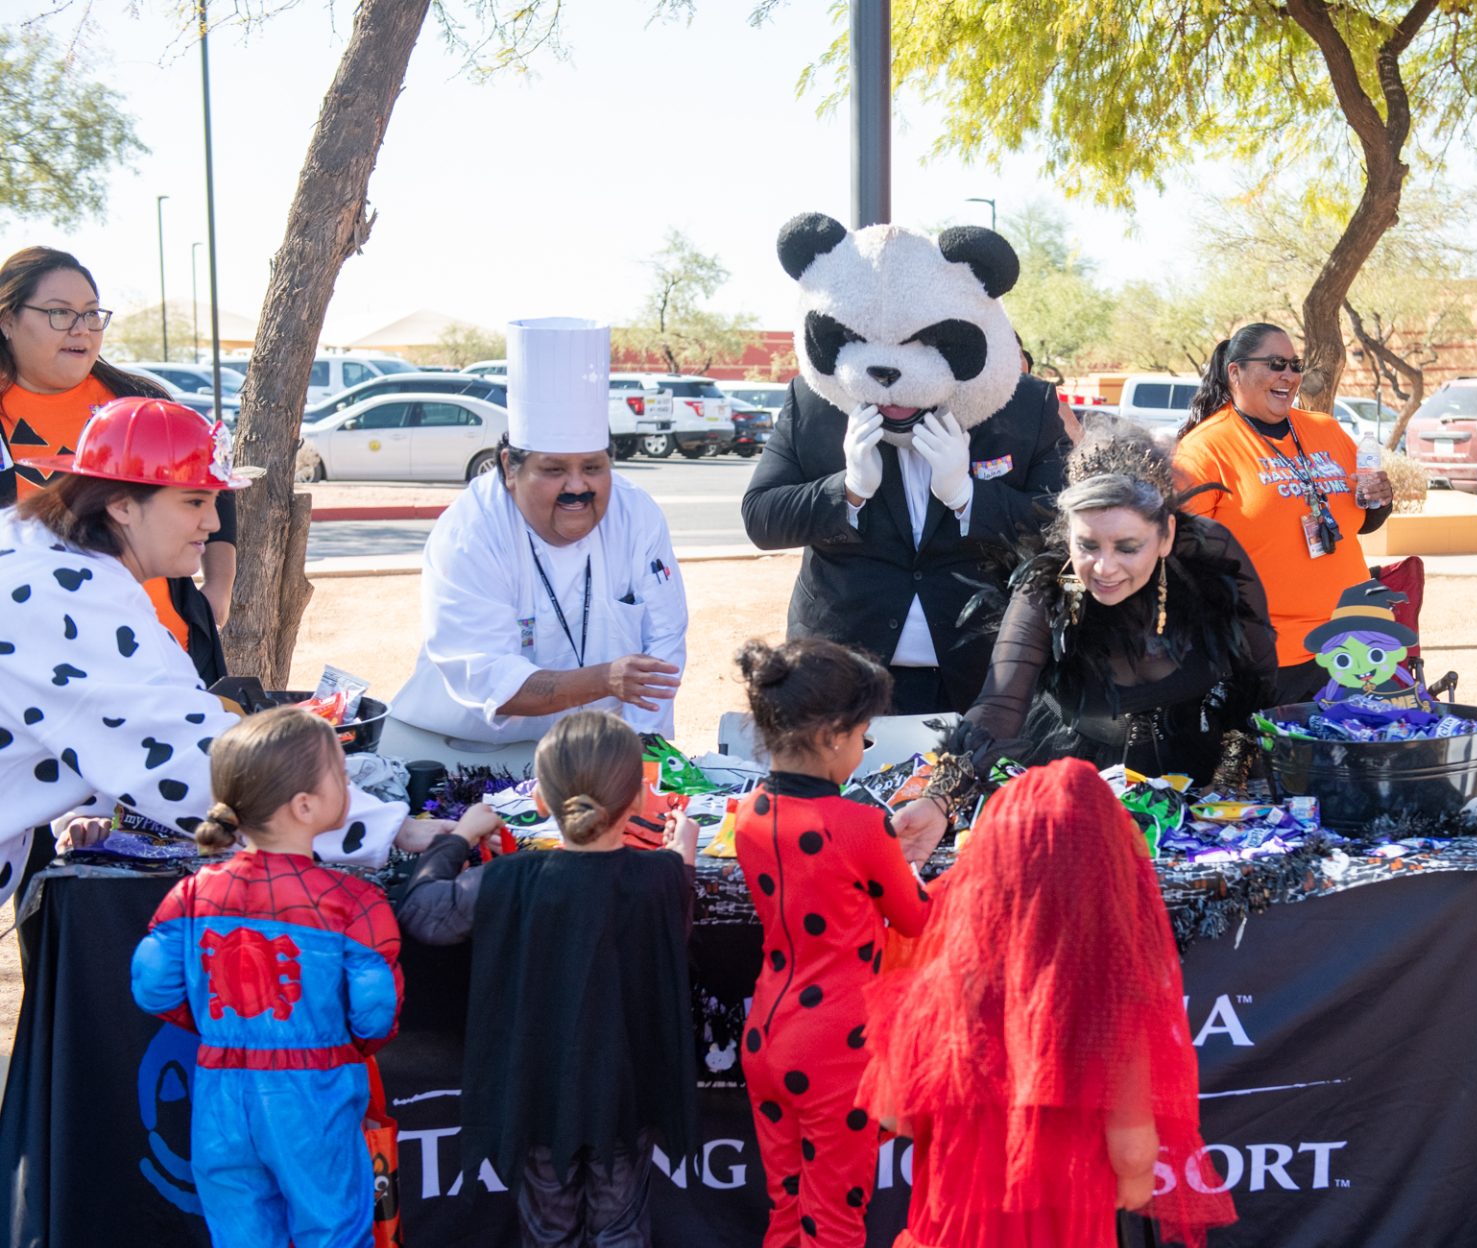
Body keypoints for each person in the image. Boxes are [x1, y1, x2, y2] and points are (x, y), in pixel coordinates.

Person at [0, 398, 415, 930]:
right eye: (194, 501)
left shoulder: (52, 552)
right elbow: (189, 755)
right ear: (122, 504)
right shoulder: (64, 592)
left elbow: (172, 701)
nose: (212, 523)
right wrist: (382, 828)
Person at [860, 759, 1235, 1248]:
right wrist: (1129, 1179)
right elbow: (1131, 1160)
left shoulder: (940, 988)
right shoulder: (1109, 1012)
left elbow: (894, 1115)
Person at [398, 710, 700, 1248]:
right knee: (620, 1232)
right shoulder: (659, 876)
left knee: (549, 1237)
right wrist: (682, 853)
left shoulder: (511, 878)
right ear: (639, 796)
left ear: (538, 798)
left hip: (538, 1094)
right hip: (621, 1096)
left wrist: (461, 836)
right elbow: (673, 923)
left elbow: (424, 914)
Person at [894, 422, 1278, 856]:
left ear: (1167, 534)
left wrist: (1227, 778)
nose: (1104, 567)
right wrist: (939, 799)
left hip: (1194, 773)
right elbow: (1000, 703)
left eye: (1127, 547)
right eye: (1088, 545)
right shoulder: (1046, 584)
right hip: (1070, 774)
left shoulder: (1213, 554)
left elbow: (1255, 678)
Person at [743, 214, 1070, 716]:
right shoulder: (817, 403)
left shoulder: (1024, 407)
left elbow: (1062, 529)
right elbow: (762, 518)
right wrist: (846, 491)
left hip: (981, 674)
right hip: (844, 673)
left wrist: (968, 498)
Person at [129, 707, 406, 1248]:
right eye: (343, 776)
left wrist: (212, 1029)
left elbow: (152, 983)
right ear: (305, 806)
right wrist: (348, 1046)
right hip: (315, 1095)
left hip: (219, 1097)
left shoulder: (192, 893)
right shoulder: (352, 902)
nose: (349, 786)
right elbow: (375, 1011)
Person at [387, 317, 688, 767]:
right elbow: (488, 677)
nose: (577, 486)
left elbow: (664, 637)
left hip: (598, 755)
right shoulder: (472, 532)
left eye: (593, 467)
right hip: (466, 752)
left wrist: (643, 746)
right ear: (510, 467)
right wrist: (606, 679)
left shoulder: (636, 512)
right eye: (554, 470)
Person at [730, 638, 933, 1248]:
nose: (863, 750)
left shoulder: (751, 813)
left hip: (768, 1035)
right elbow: (917, 919)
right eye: (864, 737)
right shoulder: (859, 826)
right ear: (830, 735)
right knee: (835, 1227)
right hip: (834, 1052)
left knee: (788, 1213)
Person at [0, 246, 236, 683]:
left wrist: (218, 589)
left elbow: (212, 489)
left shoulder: (139, 400)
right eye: (59, 313)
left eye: (91, 314)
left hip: (168, 652)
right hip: (40, 671)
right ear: (8, 320)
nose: (81, 329)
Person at [1173, 323, 1394, 705]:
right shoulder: (1204, 449)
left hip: (1353, 642)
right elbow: (1183, 557)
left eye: (1295, 365)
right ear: (1235, 372)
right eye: (1276, 364)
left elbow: (1361, 521)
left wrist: (1380, 498)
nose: (1289, 376)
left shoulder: (1326, 429)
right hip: (1270, 653)